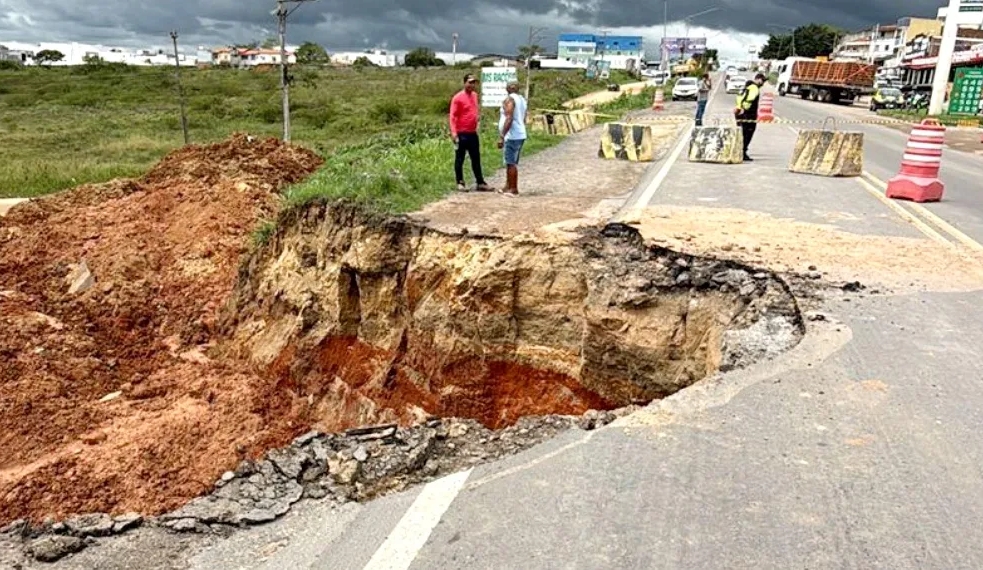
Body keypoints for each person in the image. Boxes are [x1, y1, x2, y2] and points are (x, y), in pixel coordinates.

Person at [449, 73, 492, 192]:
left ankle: (480, 182)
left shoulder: (474, 95)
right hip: (461, 133)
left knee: (476, 158)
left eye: (474, 82)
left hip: (472, 132)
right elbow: (452, 116)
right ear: (464, 83)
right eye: (470, 82)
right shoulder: (457, 98)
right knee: (460, 158)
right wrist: (453, 132)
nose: (472, 85)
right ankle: (460, 182)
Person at [496, 81, 527, 196]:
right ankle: (508, 185)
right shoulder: (522, 100)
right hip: (519, 133)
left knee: (510, 162)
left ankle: (513, 189)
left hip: (512, 135)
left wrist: (502, 136)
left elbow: (509, 118)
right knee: (510, 161)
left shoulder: (509, 100)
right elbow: (524, 117)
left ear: (507, 89)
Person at [734, 73, 766, 162]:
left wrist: (739, 108)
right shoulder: (754, 88)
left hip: (741, 113)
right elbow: (749, 100)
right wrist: (745, 109)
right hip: (749, 114)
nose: (763, 83)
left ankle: (739, 151)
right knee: (748, 134)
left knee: (742, 133)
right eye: (762, 81)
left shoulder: (746, 87)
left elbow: (739, 97)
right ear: (758, 79)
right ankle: (743, 153)